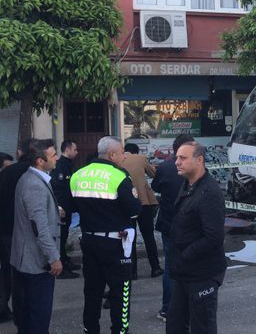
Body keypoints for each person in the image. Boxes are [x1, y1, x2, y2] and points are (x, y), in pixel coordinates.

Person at [70, 136, 142, 334]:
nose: (124, 158)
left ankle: (90, 329)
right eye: (121, 153)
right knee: (121, 292)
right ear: (112, 154)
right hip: (115, 244)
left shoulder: (78, 174)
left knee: (92, 291)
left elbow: (71, 206)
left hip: (90, 240)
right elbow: (135, 210)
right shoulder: (119, 176)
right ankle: (119, 331)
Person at [166, 142, 227, 334]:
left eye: (182, 158)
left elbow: (213, 237)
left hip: (202, 274)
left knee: (202, 326)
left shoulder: (209, 193)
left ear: (199, 160)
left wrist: (185, 255)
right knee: (174, 324)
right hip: (183, 273)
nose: (177, 162)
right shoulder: (187, 184)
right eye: (176, 157)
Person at [10, 139, 63, 333]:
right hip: (35, 263)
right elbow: (38, 226)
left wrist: (55, 211)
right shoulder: (34, 184)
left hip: (27, 259)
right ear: (40, 161)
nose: (56, 157)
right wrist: (54, 257)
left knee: (29, 315)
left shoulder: (33, 179)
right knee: (37, 316)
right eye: (52, 155)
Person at [152, 134, 194, 322]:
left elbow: (156, 186)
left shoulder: (165, 167)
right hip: (190, 226)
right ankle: (189, 307)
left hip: (169, 223)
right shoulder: (195, 167)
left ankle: (168, 309)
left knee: (170, 267)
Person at [0, 138, 34, 325]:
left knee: (9, 270)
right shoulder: (34, 173)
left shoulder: (9, 173)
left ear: (20, 153)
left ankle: (7, 308)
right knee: (21, 273)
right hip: (22, 230)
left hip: (7, 229)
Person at [121, 143, 162, 279]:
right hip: (144, 203)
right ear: (136, 152)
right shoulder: (140, 158)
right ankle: (155, 268)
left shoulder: (118, 161)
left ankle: (132, 272)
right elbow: (154, 173)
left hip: (126, 205)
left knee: (129, 239)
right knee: (148, 237)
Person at [50, 140, 81, 279]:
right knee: (61, 237)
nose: (76, 152)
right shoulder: (60, 166)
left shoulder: (68, 165)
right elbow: (58, 188)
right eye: (75, 149)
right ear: (67, 149)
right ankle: (61, 267)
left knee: (65, 234)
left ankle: (65, 260)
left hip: (67, 207)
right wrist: (60, 207)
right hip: (62, 208)